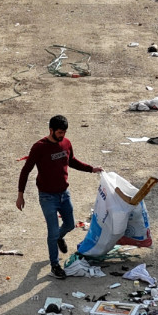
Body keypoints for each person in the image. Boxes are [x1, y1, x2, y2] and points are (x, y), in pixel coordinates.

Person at [17, 115, 101, 278]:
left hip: (64, 194)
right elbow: (25, 170)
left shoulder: (66, 143)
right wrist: (20, 195)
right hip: (47, 196)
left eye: (64, 132)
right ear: (51, 130)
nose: (62, 135)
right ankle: (55, 265)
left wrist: (92, 169)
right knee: (52, 231)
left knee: (70, 224)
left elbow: (72, 161)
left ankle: (59, 237)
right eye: (60, 132)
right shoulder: (39, 147)